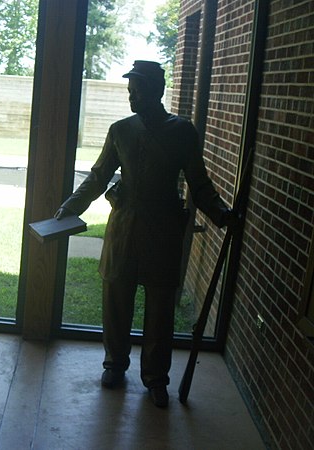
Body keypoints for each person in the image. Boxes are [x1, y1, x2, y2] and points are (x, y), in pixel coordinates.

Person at [55, 60, 235, 408]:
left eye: (136, 91)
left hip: (164, 230)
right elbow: (98, 176)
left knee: (160, 311)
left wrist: (220, 213)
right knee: (116, 301)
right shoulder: (120, 130)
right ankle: (114, 364)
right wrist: (70, 206)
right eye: (129, 91)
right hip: (124, 227)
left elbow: (199, 182)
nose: (130, 97)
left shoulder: (183, 132)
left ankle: (155, 378)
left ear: (156, 91)